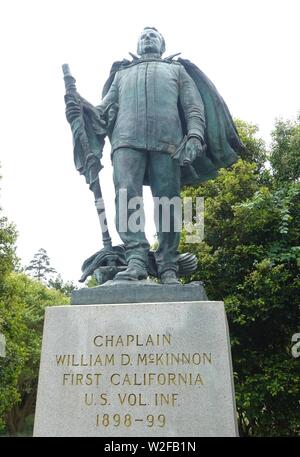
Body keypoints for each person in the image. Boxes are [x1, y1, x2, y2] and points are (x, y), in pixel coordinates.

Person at [65, 27, 244, 284]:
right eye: (143, 36)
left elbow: (194, 107)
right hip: (125, 142)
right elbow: (102, 112)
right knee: (127, 196)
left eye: (153, 35)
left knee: (168, 201)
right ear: (138, 45)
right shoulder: (122, 74)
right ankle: (136, 259)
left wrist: (194, 135)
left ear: (161, 44)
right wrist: (80, 107)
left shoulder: (177, 71)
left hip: (167, 143)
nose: (148, 38)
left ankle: (168, 265)